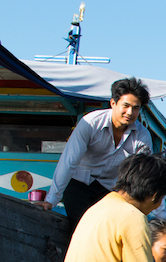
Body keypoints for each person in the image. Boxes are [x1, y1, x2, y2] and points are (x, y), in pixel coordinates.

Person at [33, 77, 153, 228]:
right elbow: (69, 161)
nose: (130, 112)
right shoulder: (90, 123)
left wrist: (163, 216)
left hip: (110, 192)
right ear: (113, 103)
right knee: (81, 227)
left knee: (106, 230)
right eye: (126, 106)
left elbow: (147, 175)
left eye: (136, 108)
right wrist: (51, 200)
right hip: (78, 185)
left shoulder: (142, 136)